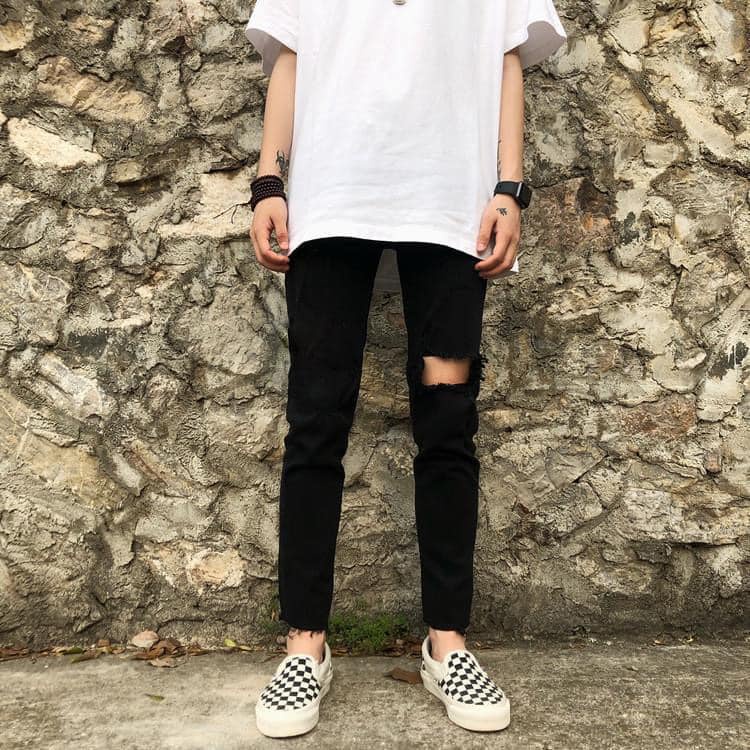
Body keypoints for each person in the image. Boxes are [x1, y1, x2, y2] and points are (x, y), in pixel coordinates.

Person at [244, 0, 567, 738]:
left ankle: (446, 642)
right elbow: (291, 54)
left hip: (451, 221)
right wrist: (268, 182)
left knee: (447, 420)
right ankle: (304, 646)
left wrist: (510, 188)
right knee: (316, 419)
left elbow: (505, 57)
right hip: (330, 210)